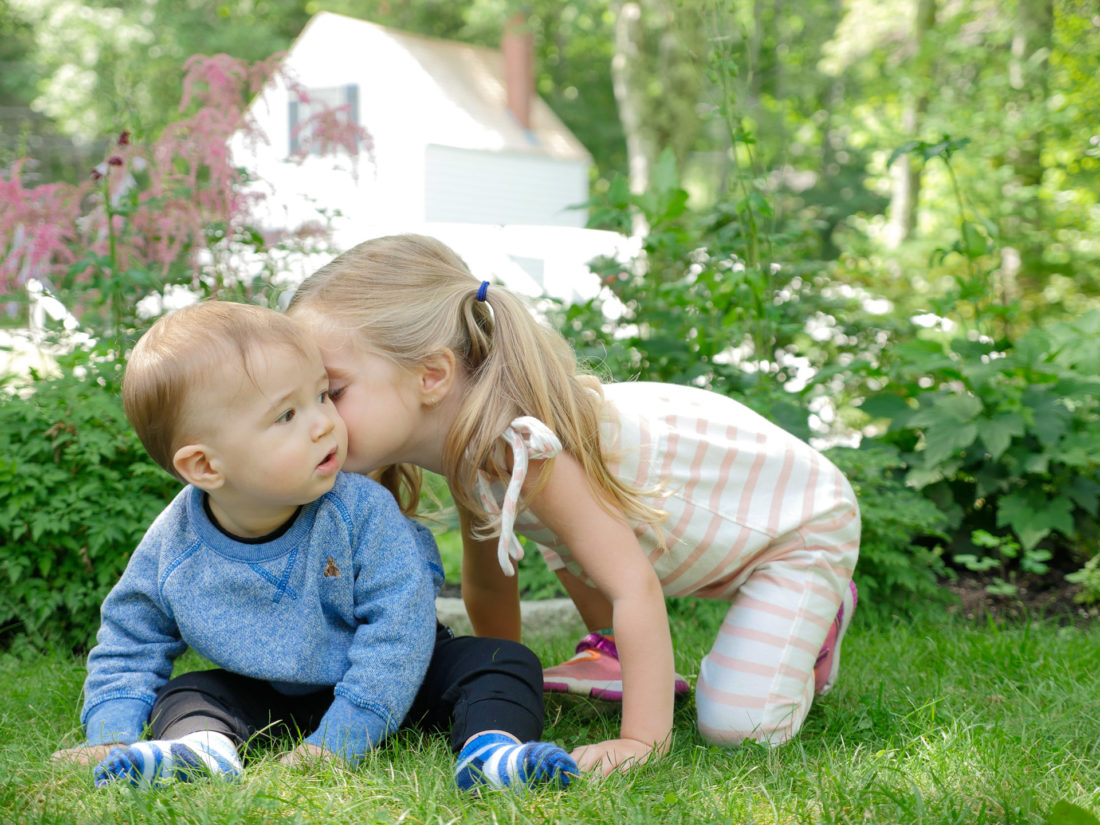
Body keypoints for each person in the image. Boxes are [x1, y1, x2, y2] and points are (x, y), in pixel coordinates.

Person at [286, 234, 862, 777]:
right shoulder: (466, 447)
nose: (315, 421)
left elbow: (633, 584)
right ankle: (614, 646)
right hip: (676, 535)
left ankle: (816, 613)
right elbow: (489, 586)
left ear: (431, 375)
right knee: (576, 537)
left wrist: (641, 740)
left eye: (330, 393)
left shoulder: (530, 450)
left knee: (740, 728)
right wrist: (497, 682)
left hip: (794, 524)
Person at [51, 301, 576, 793]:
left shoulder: (360, 511)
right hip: (267, 693)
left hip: (398, 679)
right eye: (286, 416)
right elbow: (130, 638)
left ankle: (493, 752)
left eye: (323, 395)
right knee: (191, 694)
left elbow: (399, 629)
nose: (324, 422)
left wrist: (338, 742)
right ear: (207, 467)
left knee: (501, 661)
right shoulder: (175, 544)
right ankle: (199, 752)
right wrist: (111, 731)